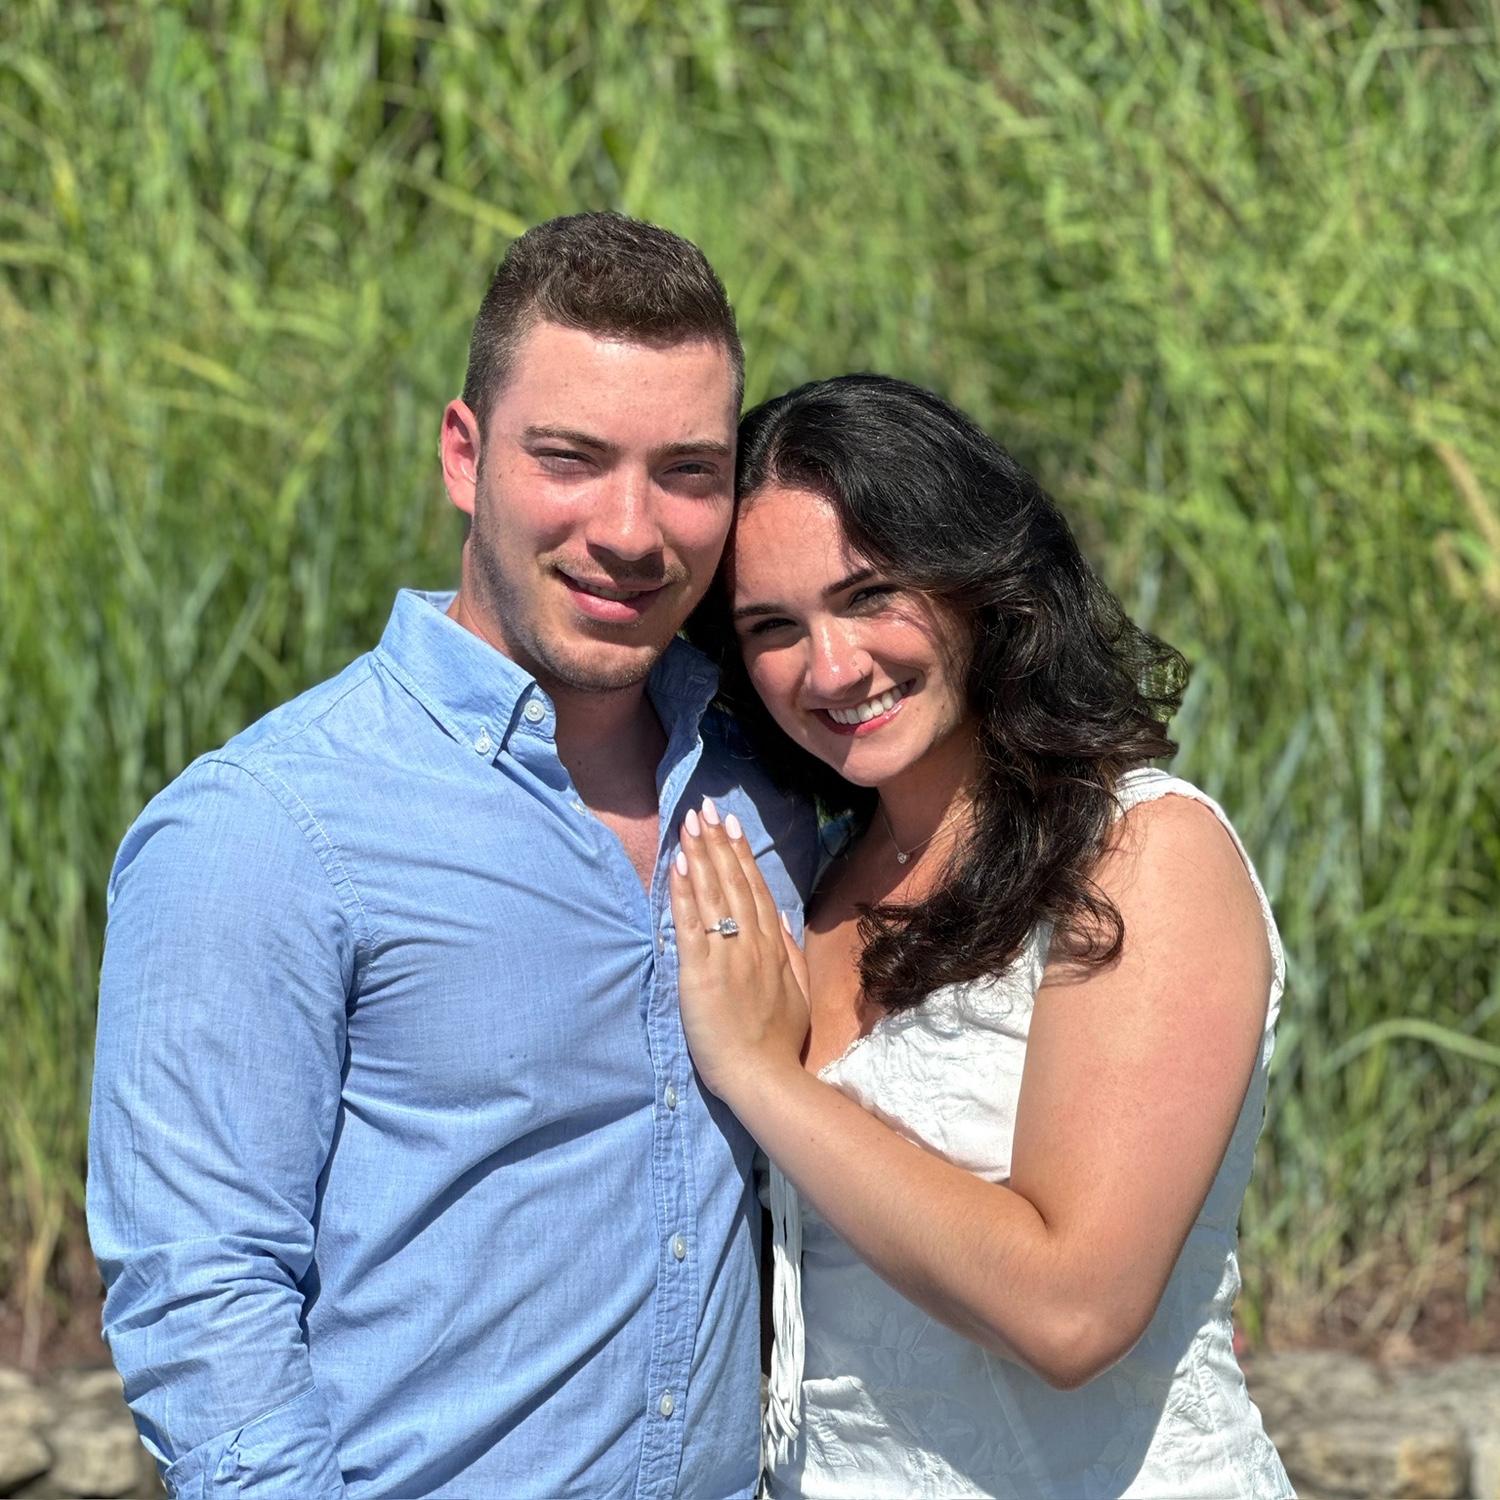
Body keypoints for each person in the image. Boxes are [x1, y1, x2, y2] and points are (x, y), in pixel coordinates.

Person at [87, 212, 818, 1500]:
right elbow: (200, 1302)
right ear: (463, 456)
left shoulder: (773, 783)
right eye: (570, 458)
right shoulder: (266, 827)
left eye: (688, 472)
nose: (631, 529)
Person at [671, 374, 1293, 1498]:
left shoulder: (1142, 853)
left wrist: (764, 1079)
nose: (832, 667)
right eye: (773, 628)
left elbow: (1073, 1311)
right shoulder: (811, 883)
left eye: (870, 595)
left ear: (979, 580)